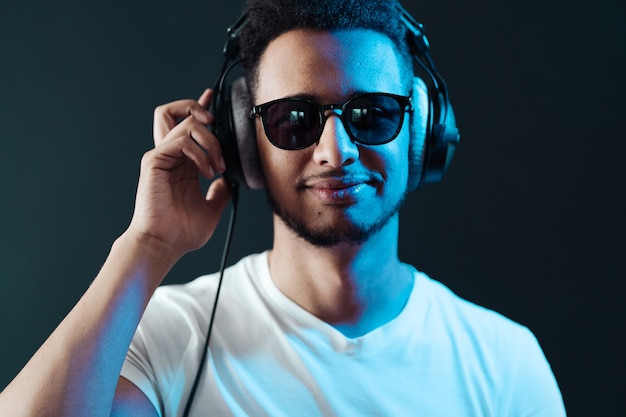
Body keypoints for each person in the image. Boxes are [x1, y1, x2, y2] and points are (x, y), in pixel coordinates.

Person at [0, 0, 566, 416]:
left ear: (420, 130)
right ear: (244, 143)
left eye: (372, 114)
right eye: (293, 119)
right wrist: (146, 248)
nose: (336, 151)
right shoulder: (167, 337)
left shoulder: (503, 362)